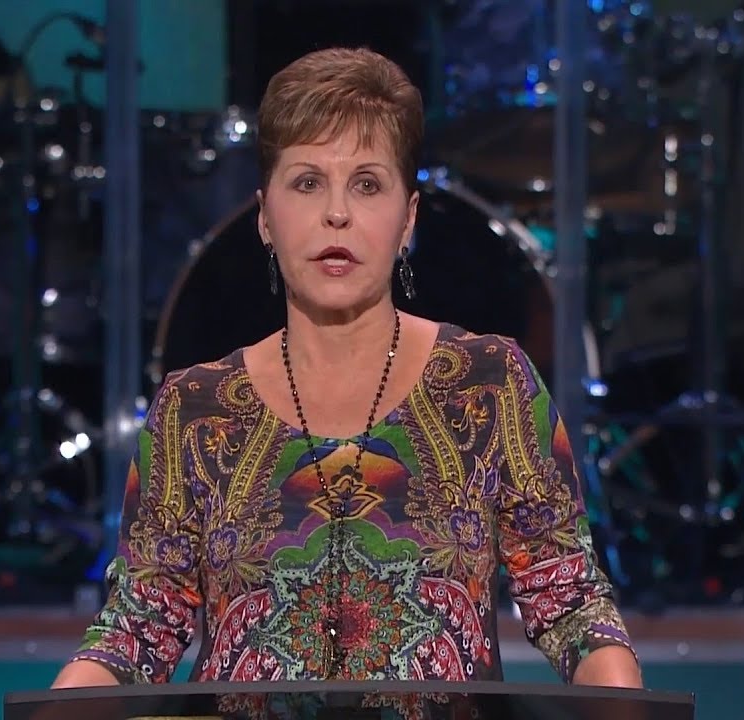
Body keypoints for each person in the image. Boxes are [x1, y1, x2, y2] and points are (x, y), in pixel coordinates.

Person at [51, 46, 641, 694]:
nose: (337, 213)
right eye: (307, 183)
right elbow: (138, 629)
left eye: (367, 184)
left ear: (408, 218)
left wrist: (625, 701)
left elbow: (572, 603)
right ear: (265, 217)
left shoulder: (491, 386)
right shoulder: (192, 411)